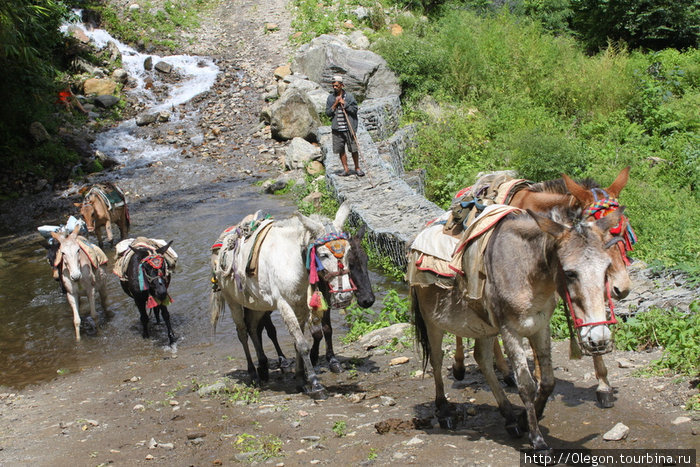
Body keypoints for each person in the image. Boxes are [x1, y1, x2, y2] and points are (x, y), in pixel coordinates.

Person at [325, 75, 364, 177]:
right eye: (333, 85)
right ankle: (346, 169)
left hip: (349, 128)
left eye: (337, 85)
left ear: (342, 85)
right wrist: (335, 104)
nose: (334, 87)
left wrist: (344, 104)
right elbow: (328, 113)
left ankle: (357, 168)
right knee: (340, 149)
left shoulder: (349, 97)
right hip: (337, 129)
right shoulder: (330, 98)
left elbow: (355, 110)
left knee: (354, 149)